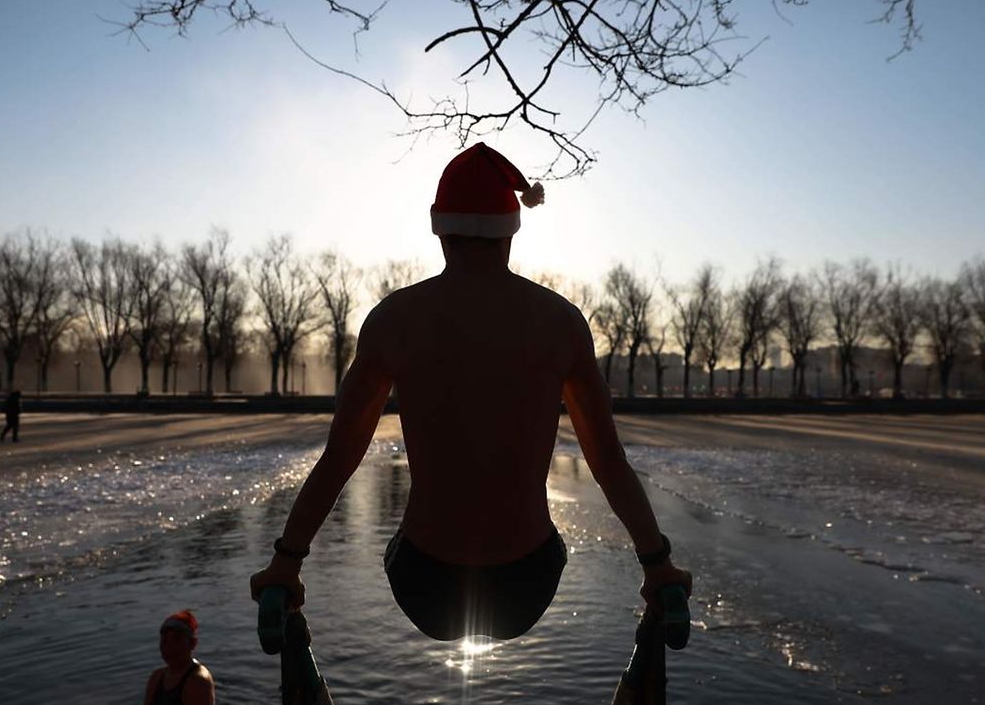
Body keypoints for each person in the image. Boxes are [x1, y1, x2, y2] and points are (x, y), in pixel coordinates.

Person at [250, 143, 691, 640]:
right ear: (510, 233)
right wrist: (657, 564)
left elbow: (341, 457)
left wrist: (286, 562)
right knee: (549, 540)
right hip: (526, 582)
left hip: (424, 581)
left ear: (440, 231)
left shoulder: (393, 321)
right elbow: (608, 461)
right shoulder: (561, 323)